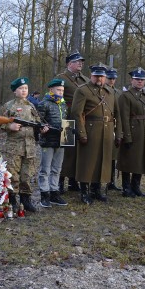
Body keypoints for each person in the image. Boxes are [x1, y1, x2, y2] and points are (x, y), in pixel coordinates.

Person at [71, 64, 122, 204]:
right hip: (90, 130)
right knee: (87, 162)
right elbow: (77, 113)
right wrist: (82, 133)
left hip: (107, 130)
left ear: (105, 77)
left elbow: (117, 114)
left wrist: (118, 133)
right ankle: (84, 192)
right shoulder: (82, 90)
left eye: (102, 76)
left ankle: (97, 189)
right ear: (91, 75)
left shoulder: (110, 92)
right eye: (96, 75)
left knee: (103, 161)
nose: (99, 78)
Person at [0, 77, 46, 213]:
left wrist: (42, 129)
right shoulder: (9, 106)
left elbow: (37, 122)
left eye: (26, 88)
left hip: (29, 147)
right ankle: (12, 200)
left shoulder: (31, 105)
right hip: (14, 147)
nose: (24, 91)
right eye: (21, 88)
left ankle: (26, 200)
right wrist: (8, 126)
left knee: (27, 175)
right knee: (12, 175)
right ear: (15, 91)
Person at [117, 67, 145, 197]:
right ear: (131, 80)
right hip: (133, 132)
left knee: (141, 160)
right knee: (128, 161)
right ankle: (126, 188)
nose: (140, 82)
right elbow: (124, 117)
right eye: (137, 79)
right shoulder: (126, 96)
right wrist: (127, 136)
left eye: (142, 80)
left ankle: (136, 187)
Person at [55, 51, 90, 193]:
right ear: (69, 63)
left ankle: (73, 181)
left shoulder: (85, 80)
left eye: (81, 61)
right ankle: (60, 182)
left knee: (78, 152)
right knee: (66, 152)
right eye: (77, 61)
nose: (80, 63)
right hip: (67, 120)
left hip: (81, 119)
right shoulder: (61, 79)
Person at [37, 78, 68, 208]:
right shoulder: (44, 103)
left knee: (57, 168)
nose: (60, 92)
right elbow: (38, 121)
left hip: (61, 141)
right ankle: (44, 194)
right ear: (51, 90)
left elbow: (66, 120)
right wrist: (42, 128)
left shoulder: (63, 104)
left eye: (62, 90)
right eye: (58, 90)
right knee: (45, 169)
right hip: (48, 141)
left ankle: (54, 192)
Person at [105, 67, 122, 191]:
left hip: (115, 125)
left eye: (113, 78)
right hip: (104, 125)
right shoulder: (101, 91)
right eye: (109, 78)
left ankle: (111, 181)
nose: (111, 81)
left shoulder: (118, 93)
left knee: (113, 156)